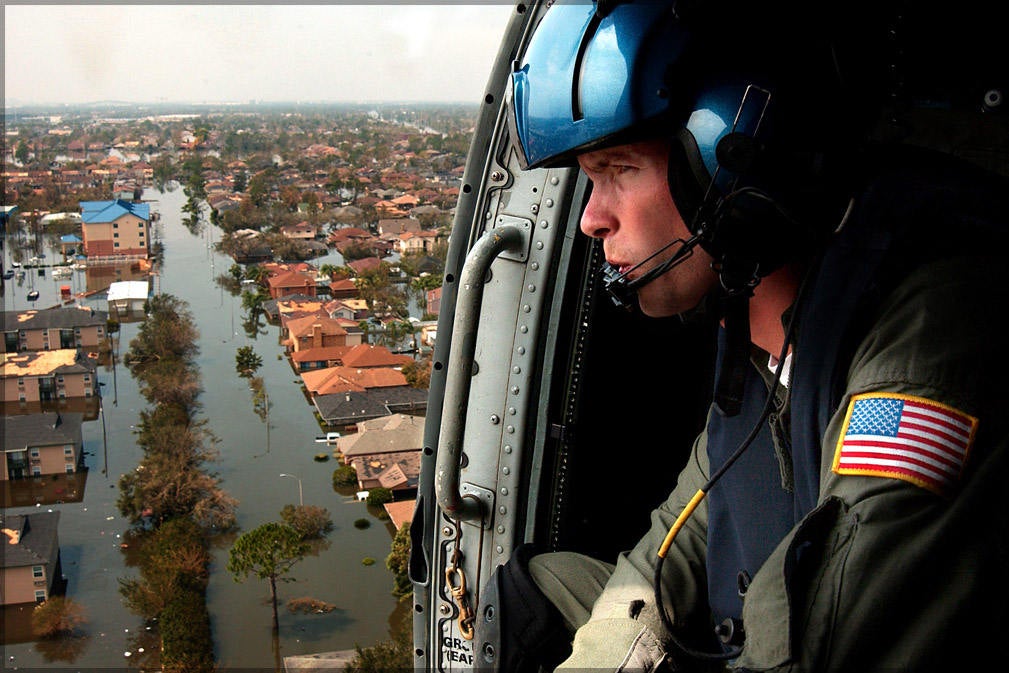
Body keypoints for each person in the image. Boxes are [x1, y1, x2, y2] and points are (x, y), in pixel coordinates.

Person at [495, 0, 1009, 671]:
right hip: (742, 629)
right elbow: (688, 520)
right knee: (530, 592)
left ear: (727, 158)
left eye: (619, 169)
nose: (593, 218)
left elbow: (824, 637)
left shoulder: (928, 328)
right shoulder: (755, 324)